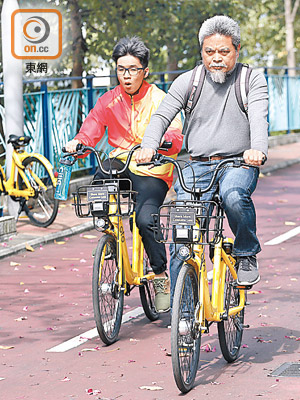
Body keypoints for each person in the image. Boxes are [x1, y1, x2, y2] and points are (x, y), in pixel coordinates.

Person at [136, 15, 268, 306]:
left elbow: (259, 117)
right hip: (196, 166)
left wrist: (257, 148)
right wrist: (148, 145)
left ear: (237, 49)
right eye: (210, 52)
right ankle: (182, 319)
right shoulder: (190, 80)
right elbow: (161, 115)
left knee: (234, 196)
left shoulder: (250, 78)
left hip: (238, 163)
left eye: (224, 52)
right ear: (201, 52)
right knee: (182, 239)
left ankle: (246, 254)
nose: (216, 59)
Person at [65, 36, 183, 313]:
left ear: (145, 71)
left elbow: (175, 134)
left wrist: (159, 145)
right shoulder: (108, 100)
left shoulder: (160, 100)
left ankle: (160, 276)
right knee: (100, 180)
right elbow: (90, 130)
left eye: (132, 69)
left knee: (145, 218)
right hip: (121, 162)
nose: (126, 75)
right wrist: (78, 143)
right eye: (121, 69)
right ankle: (109, 235)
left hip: (153, 169)